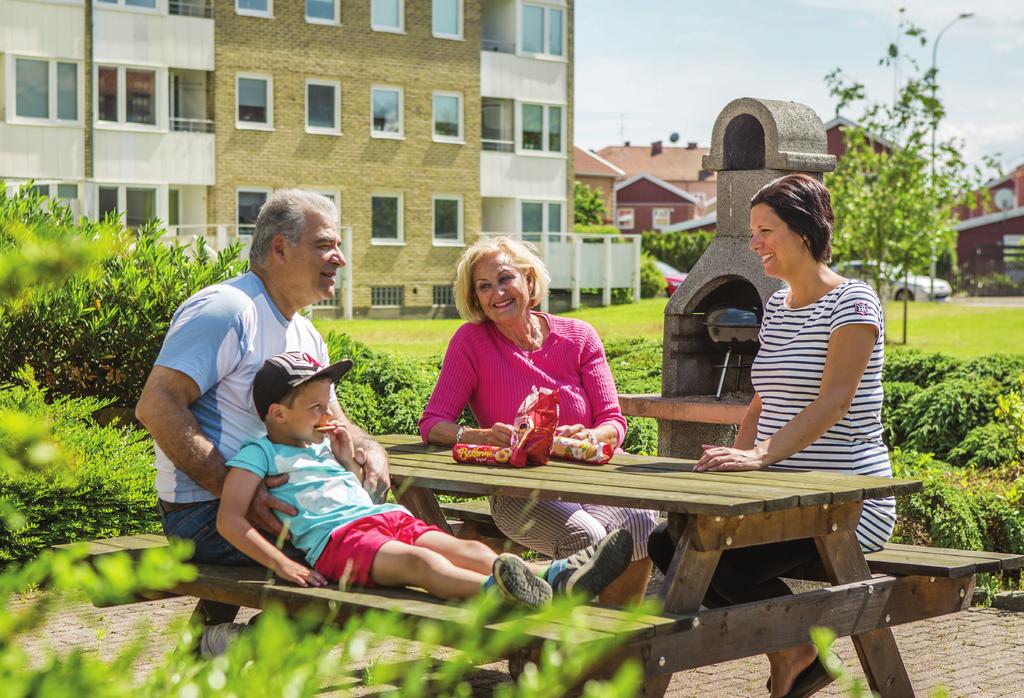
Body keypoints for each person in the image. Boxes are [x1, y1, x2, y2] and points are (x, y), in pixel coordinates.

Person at [647, 173, 894, 698]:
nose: (753, 242)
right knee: (669, 540)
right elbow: (763, 401)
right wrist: (733, 469)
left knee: (703, 552)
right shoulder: (777, 308)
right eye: (752, 231)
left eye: (765, 230)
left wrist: (760, 457)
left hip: (847, 501)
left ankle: (796, 652)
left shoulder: (854, 303)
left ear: (803, 232)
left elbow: (834, 401)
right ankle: (796, 652)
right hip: (775, 497)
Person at [217, 351, 634, 610]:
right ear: (277, 414)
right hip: (338, 544)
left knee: (465, 546)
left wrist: (347, 462)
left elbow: (359, 497)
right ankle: (499, 593)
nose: (328, 417)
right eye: (315, 408)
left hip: (384, 517)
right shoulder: (260, 453)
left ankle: (554, 576)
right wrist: (283, 564)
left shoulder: (323, 447)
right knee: (422, 565)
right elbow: (230, 519)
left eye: (328, 406)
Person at [135, 189, 391, 564]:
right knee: (367, 557)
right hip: (207, 515)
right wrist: (238, 491)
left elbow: (333, 420)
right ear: (280, 249)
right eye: (325, 245)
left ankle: (223, 628)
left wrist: (369, 447)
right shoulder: (228, 309)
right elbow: (156, 406)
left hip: (287, 502)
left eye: (338, 245)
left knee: (394, 536)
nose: (341, 259)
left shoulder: (307, 334)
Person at [419, 236, 657, 604]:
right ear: (476, 298)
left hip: (587, 477)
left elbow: (614, 421)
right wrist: (478, 435)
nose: (496, 292)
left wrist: (592, 434)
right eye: (484, 286)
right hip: (517, 490)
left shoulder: (578, 337)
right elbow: (433, 423)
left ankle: (617, 645)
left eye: (504, 278)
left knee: (642, 524)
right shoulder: (471, 342)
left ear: (529, 281)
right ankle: (570, 649)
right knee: (588, 536)